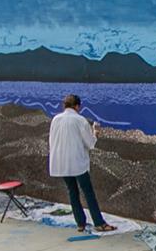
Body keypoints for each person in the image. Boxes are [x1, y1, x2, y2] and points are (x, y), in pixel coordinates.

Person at [47, 94, 114, 233]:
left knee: (72, 192)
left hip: (61, 162)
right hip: (77, 163)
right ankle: (99, 222)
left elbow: (52, 140)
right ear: (77, 106)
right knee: (88, 193)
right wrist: (95, 133)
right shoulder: (79, 120)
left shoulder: (56, 119)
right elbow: (90, 144)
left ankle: (80, 223)